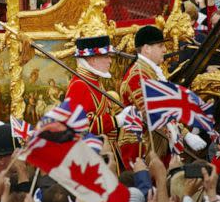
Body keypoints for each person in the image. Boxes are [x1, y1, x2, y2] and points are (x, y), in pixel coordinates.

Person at [65, 35, 132, 147]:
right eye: (106, 57)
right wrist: (116, 121)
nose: (110, 61)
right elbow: (81, 125)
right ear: (93, 59)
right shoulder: (79, 85)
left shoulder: (94, 80)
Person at [118, 26, 168, 166]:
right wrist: (184, 134)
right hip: (141, 148)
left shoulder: (149, 72)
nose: (165, 50)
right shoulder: (137, 75)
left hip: (155, 142)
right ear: (147, 48)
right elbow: (152, 113)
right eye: (160, 46)